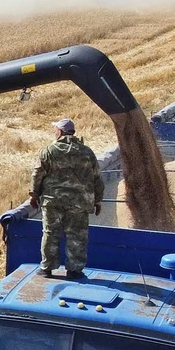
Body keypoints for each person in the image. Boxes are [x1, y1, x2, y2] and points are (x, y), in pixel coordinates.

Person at [29, 118, 104, 279]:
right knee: (77, 236)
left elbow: (37, 175)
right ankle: (74, 271)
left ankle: (47, 269)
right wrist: (97, 200)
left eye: (55, 129)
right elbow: (97, 178)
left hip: (53, 202)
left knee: (50, 233)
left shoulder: (49, 151)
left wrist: (34, 195)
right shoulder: (87, 152)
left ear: (60, 132)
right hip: (79, 204)